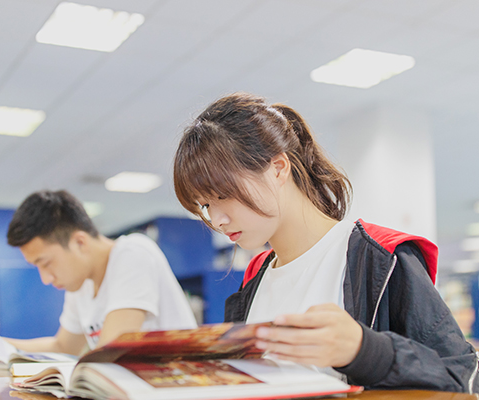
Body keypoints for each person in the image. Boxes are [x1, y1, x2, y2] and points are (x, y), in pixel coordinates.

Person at [172, 92, 479, 393]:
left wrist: (364, 350)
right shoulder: (254, 277)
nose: (217, 220)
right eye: (205, 205)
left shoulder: (380, 256)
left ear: (278, 168)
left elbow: (463, 376)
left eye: (223, 195)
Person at [0, 190, 197, 362]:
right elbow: (62, 346)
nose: (45, 279)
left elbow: (108, 353)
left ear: (79, 242)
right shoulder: (81, 283)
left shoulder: (133, 253)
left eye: (46, 263)